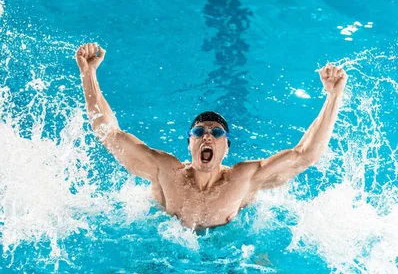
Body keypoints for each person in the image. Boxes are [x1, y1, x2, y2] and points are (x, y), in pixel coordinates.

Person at [76, 43, 347, 230]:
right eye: (199, 132)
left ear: (226, 147)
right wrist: (88, 73)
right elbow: (110, 134)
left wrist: (334, 96)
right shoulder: (165, 170)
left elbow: (305, 155)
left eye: (216, 133)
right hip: (166, 249)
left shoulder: (243, 178)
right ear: (189, 142)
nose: (207, 136)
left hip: (228, 253)